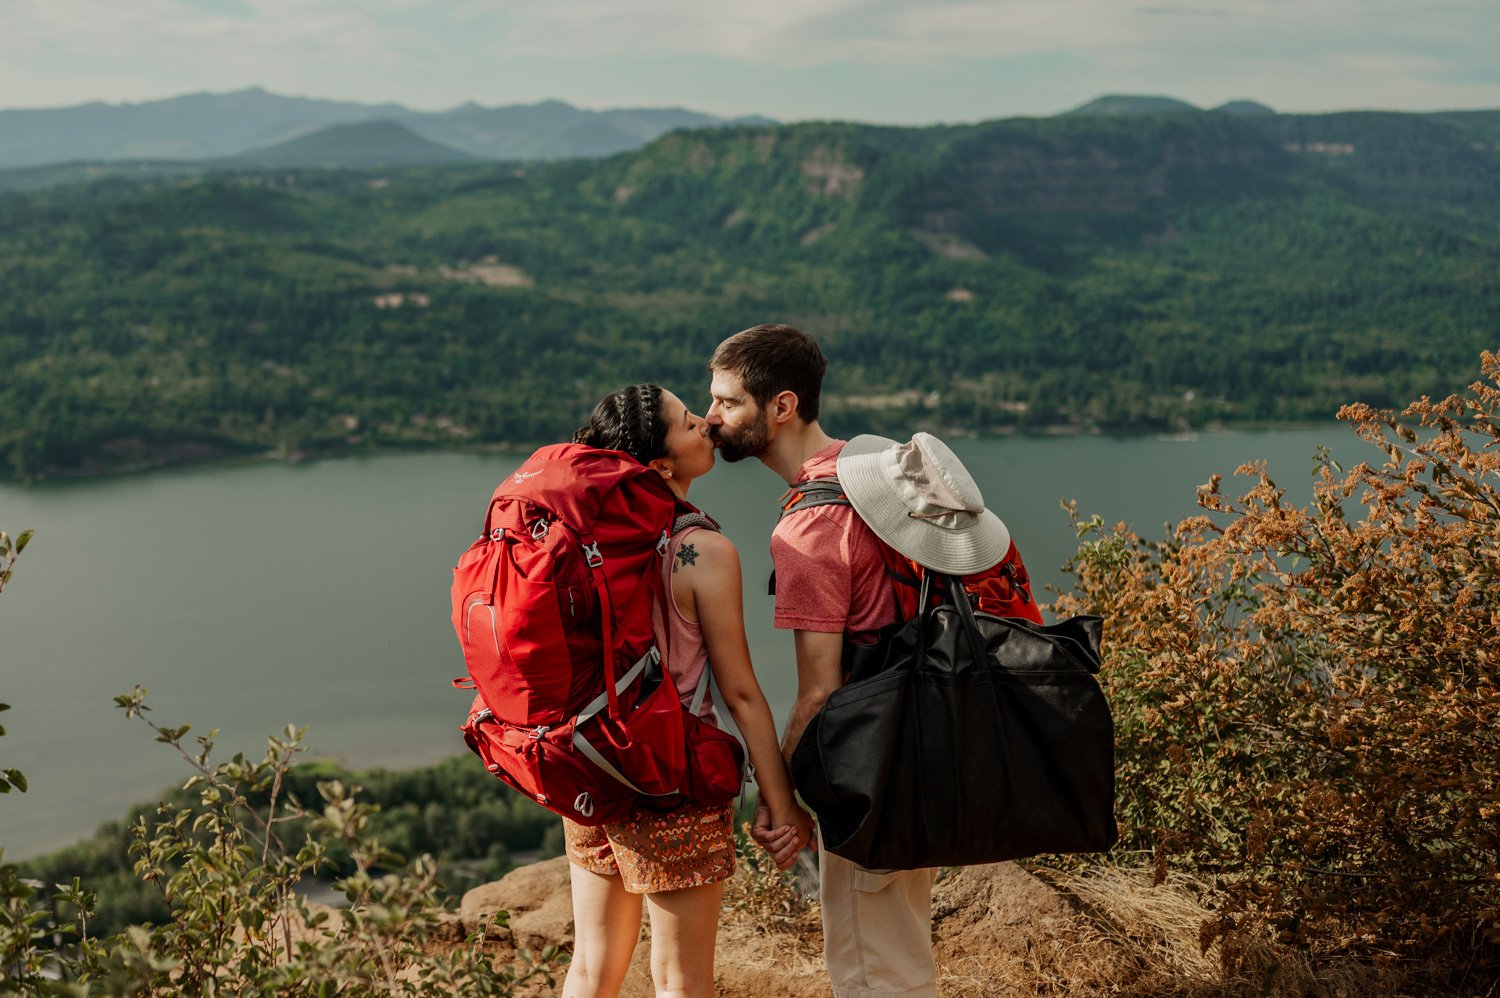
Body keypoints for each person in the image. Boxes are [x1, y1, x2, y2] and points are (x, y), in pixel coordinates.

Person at [705, 324, 938, 998]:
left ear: (781, 407)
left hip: (869, 770)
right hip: (923, 747)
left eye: (726, 403)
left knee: (872, 971)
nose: (711, 419)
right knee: (902, 955)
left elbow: (818, 693)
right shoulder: (873, 477)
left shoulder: (810, 524)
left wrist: (785, 805)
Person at [562, 383, 815, 998]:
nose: (706, 423)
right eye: (688, 422)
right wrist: (781, 804)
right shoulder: (703, 551)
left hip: (591, 771)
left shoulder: (576, 542)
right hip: (672, 782)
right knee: (681, 979)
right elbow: (742, 695)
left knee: (592, 967)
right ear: (661, 467)